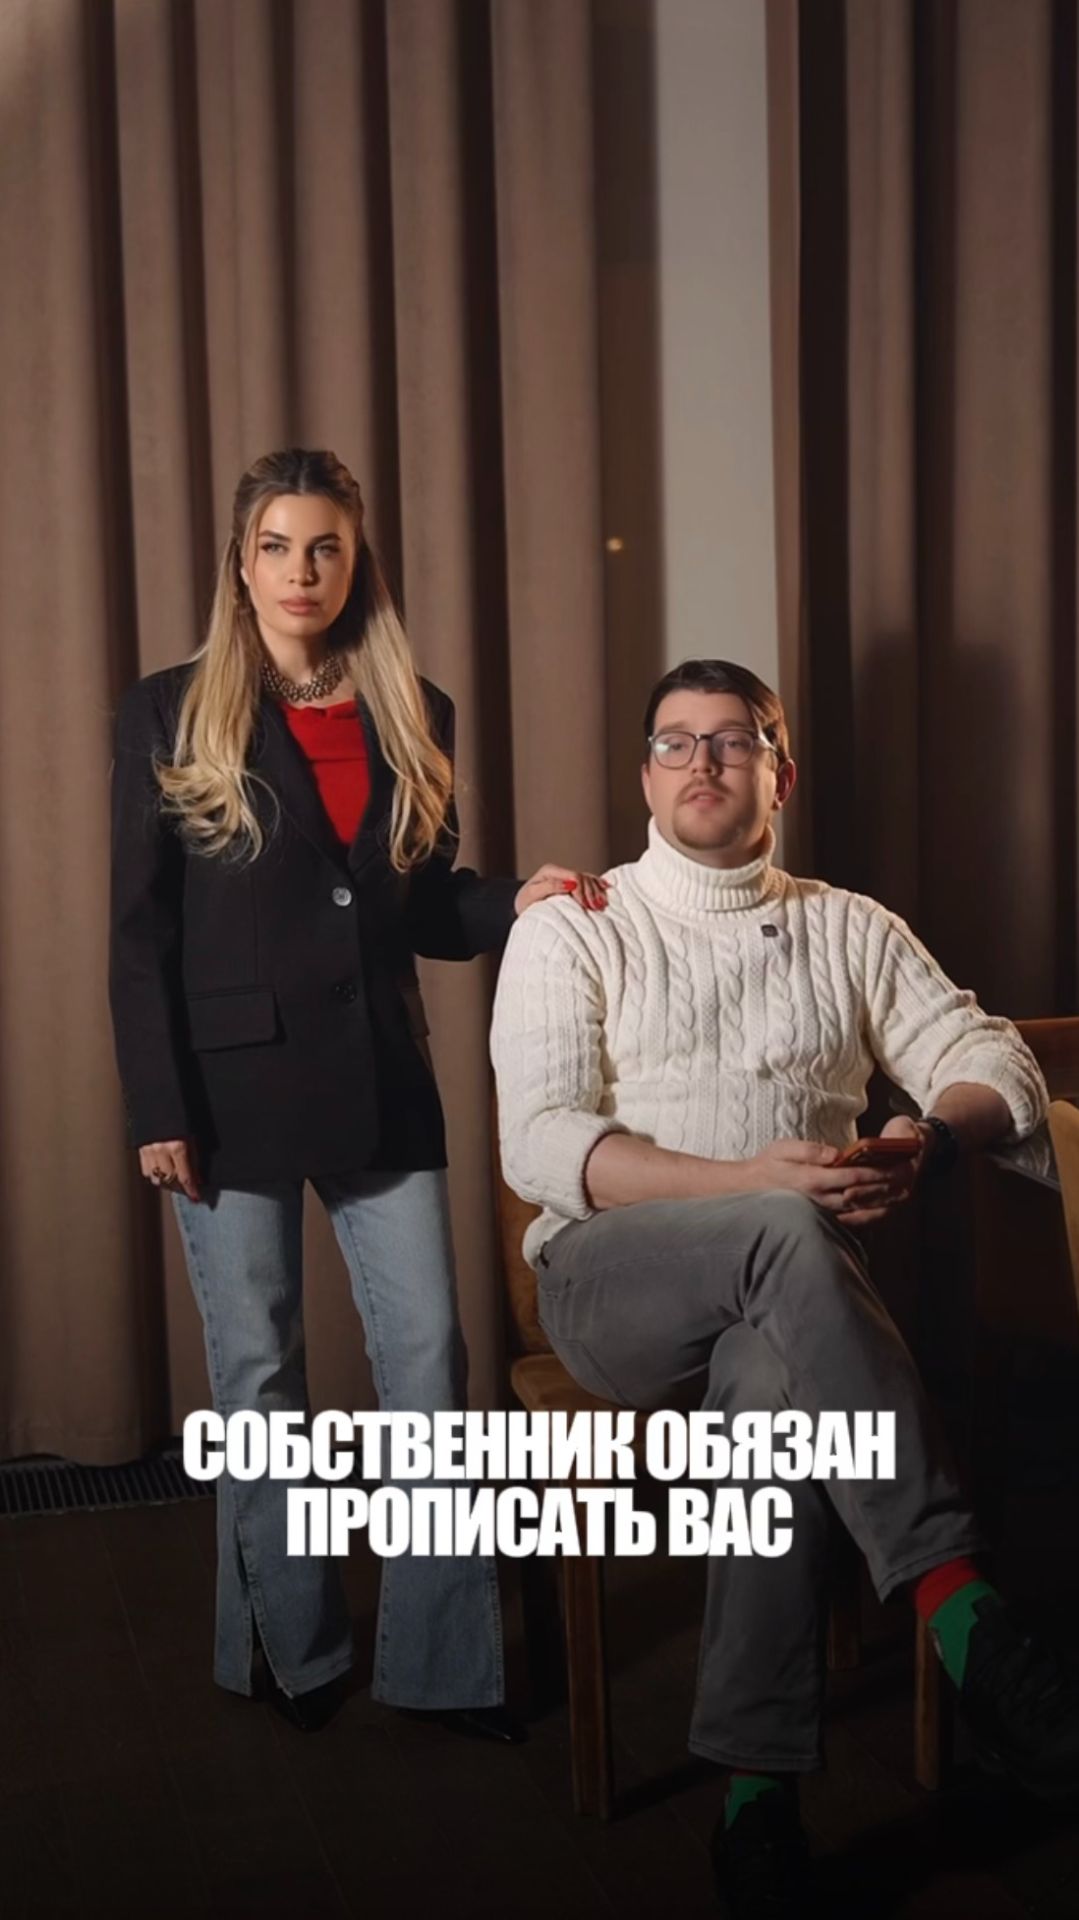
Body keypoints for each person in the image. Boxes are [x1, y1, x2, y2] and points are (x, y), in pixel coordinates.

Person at [491, 657, 1079, 1914]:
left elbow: (994, 1062)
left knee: (768, 1392)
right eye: (675, 742)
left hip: (791, 1312)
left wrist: (929, 1135)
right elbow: (537, 1144)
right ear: (643, 775)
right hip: (611, 1285)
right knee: (773, 1224)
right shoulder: (573, 923)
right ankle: (960, 1608)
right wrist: (746, 1181)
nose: (701, 761)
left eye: (732, 740)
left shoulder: (848, 925)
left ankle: (754, 1801)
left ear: (780, 774)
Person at [109, 446, 607, 1736]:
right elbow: (139, 932)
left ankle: (441, 1664)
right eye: (276, 546)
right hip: (226, 1092)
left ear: (354, 562)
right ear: (241, 564)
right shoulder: (167, 710)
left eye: (324, 547)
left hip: (381, 1075)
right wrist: (158, 1108)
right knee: (259, 1375)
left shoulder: (412, 706)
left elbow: (421, 903)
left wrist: (515, 902)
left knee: (429, 1359)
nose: (301, 571)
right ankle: (294, 1650)